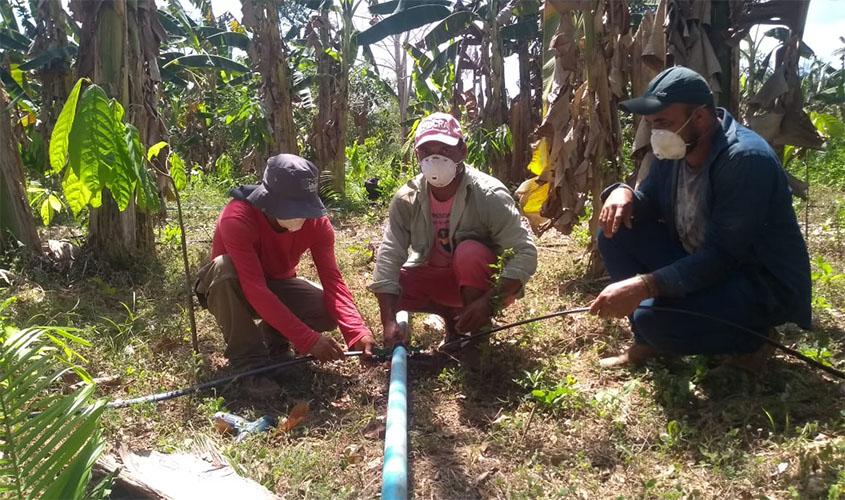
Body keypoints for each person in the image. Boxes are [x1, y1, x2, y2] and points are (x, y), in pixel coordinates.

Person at [590, 66, 811, 370]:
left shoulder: (744, 160)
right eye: (652, 124)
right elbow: (648, 204)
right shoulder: (676, 151)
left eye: (664, 123)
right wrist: (622, 192)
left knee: (657, 321)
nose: (657, 133)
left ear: (701, 118)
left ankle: (753, 338)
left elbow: (724, 256)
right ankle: (647, 342)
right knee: (614, 232)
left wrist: (645, 286)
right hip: (702, 261)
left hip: (753, 282)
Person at [195, 154, 375, 396]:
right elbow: (254, 287)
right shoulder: (237, 217)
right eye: (291, 208)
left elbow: (333, 280)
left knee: (324, 309)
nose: (299, 216)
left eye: (304, 208)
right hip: (231, 289)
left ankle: (274, 341)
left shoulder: (317, 224)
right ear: (267, 199)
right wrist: (307, 340)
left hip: (277, 284)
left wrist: (357, 332)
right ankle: (250, 365)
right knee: (223, 268)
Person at [369, 112, 538, 348]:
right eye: (427, 151)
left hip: (481, 283)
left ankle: (476, 334)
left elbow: (525, 252)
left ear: (463, 151)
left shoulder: (488, 194)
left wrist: (488, 302)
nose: (435, 158)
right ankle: (452, 320)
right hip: (437, 277)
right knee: (391, 279)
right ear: (417, 154)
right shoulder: (407, 198)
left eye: (445, 149)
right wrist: (388, 320)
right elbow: (390, 253)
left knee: (469, 252)